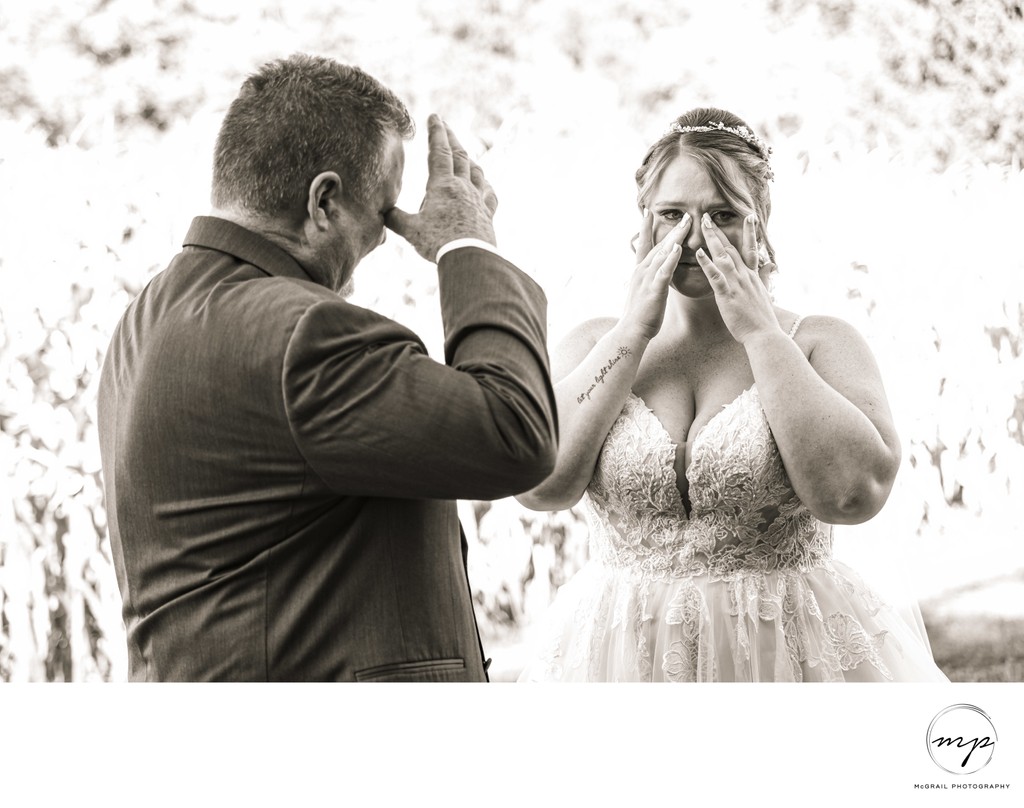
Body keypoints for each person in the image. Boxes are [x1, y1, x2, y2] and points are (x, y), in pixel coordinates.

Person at [97, 54, 558, 681]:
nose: (385, 238)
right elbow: (515, 434)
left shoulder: (144, 319)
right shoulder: (302, 333)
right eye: (383, 216)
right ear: (324, 201)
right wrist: (466, 244)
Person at [515, 108, 949, 682]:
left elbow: (852, 496)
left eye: (722, 214)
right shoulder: (596, 343)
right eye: (671, 214)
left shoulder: (820, 341)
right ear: (642, 221)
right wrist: (632, 334)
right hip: (618, 655)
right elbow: (542, 485)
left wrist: (761, 334)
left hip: (785, 653)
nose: (693, 238)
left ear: (760, 224)